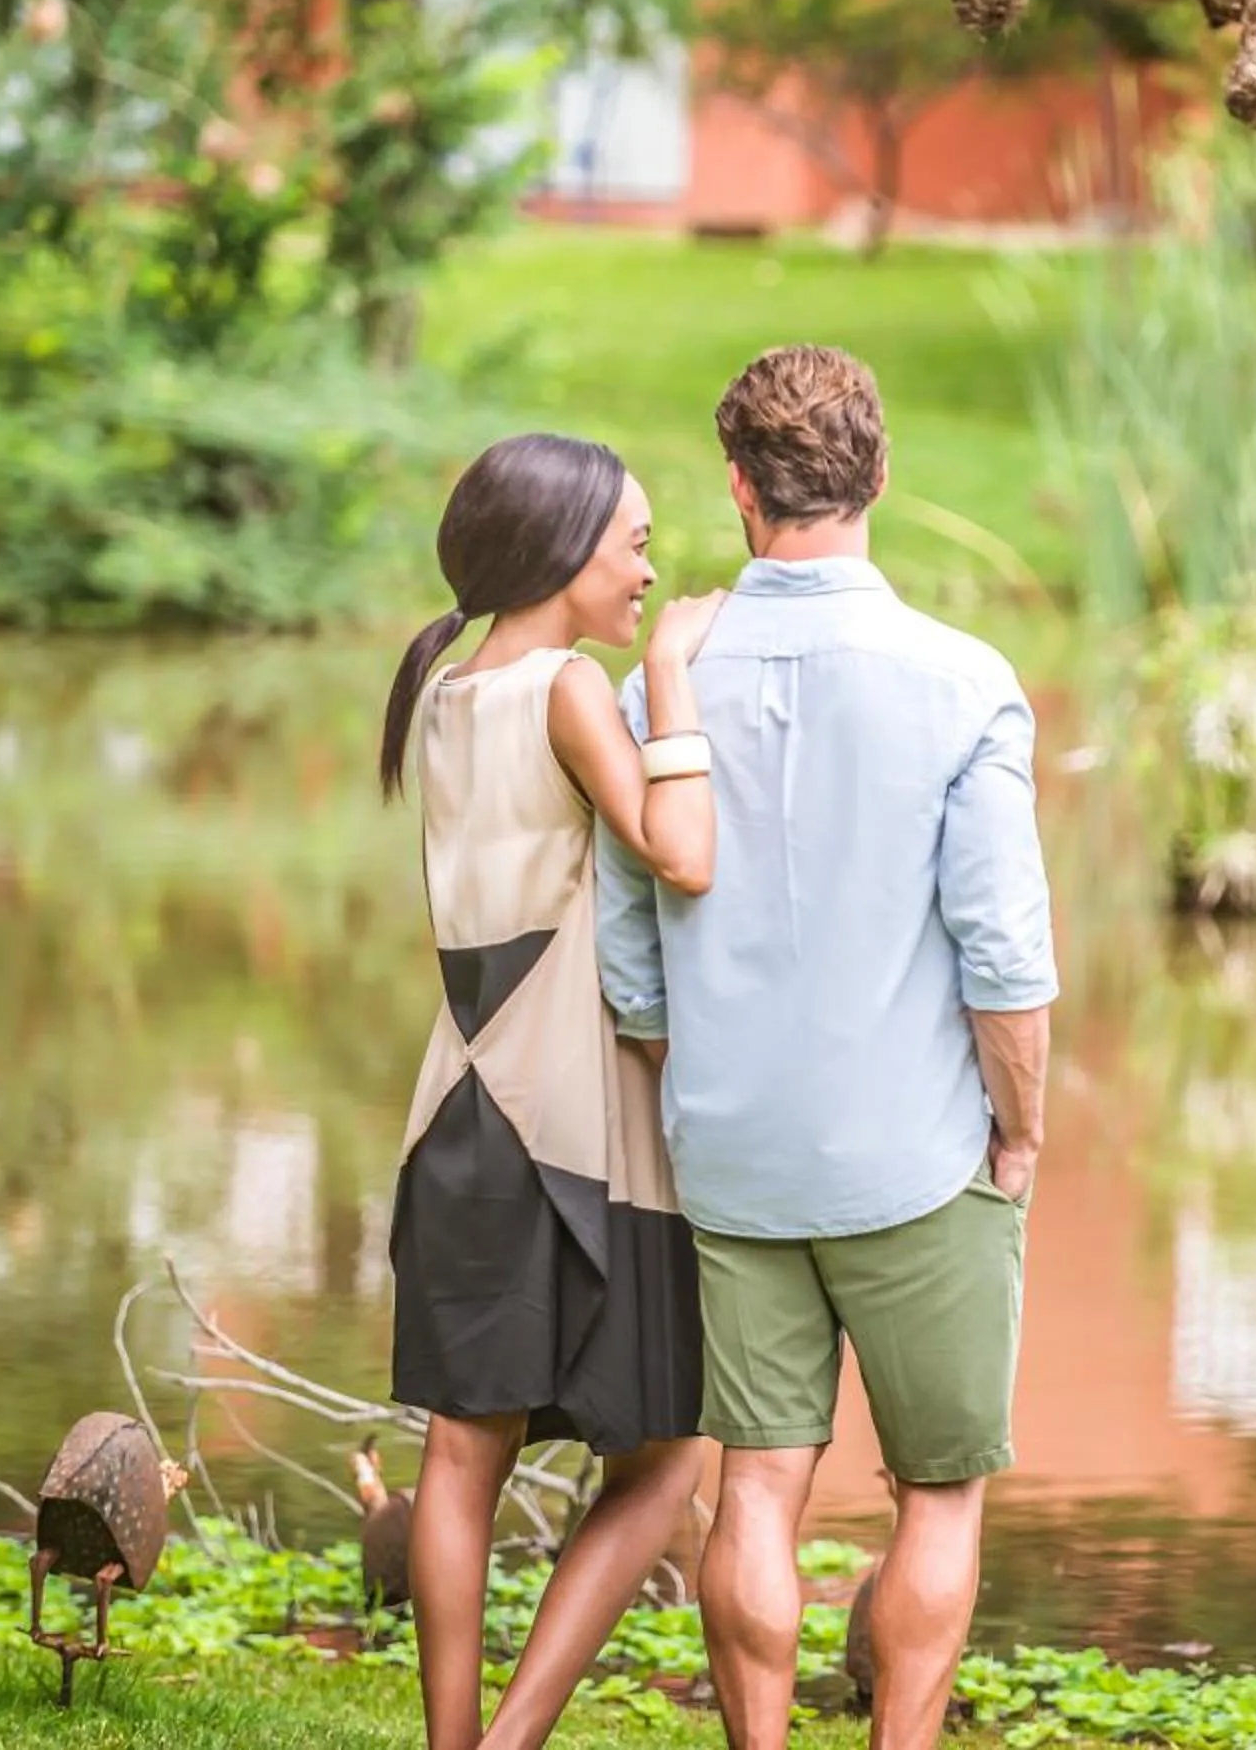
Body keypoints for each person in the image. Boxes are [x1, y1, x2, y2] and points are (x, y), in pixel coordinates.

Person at [598, 345, 1058, 1750]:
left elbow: (631, 955)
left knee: (757, 1482)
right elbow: (1006, 959)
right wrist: (1021, 1126)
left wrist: (705, 1092)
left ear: (739, 491)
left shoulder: (651, 690)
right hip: (919, 1158)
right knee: (940, 1488)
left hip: (734, 1159)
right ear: (882, 474)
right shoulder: (963, 683)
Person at [376, 433, 727, 1750]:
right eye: (633, 541)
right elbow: (682, 851)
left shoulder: (451, 690)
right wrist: (672, 673)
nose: (647, 566)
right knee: (667, 1452)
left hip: (454, 1117)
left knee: (464, 1451)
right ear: (563, 548)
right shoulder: (570, 687)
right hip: (566, 1126)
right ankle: (515, 1736)